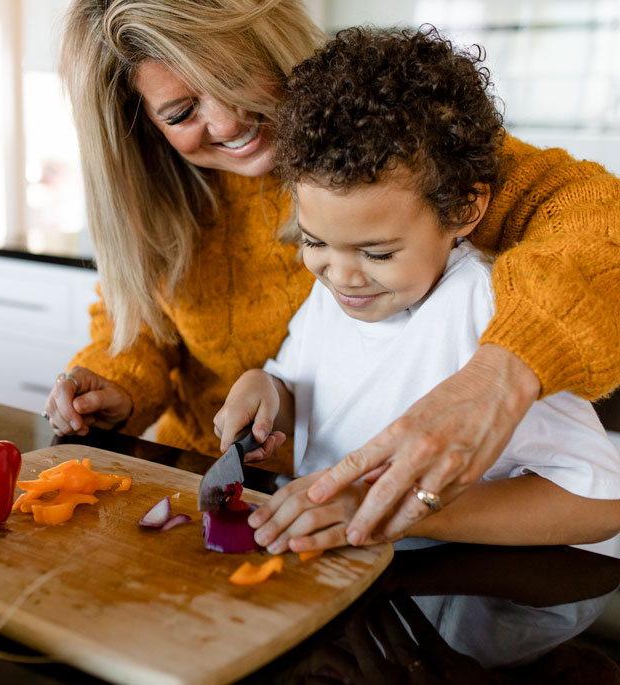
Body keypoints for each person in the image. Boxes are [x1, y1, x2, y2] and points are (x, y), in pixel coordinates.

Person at [44, 0, 620, 545]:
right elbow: (151, 328)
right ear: (143, 124)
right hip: (248, 490)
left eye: (231, 76)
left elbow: (596, 224)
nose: (226, 121)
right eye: (182, 112)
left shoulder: (405, 150)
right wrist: (117, 386)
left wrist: (502, 374)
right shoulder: (174, 202)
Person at [214, 24, 620, 668]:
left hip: (471, 621)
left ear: (462, 210)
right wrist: (268, 391)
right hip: (354, 586)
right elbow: (302, 386)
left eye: (376, 252)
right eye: (314, 241)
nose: (341, 274)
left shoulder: (490, 307)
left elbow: (597, 503)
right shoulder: (338, 290)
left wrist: (402, 512)